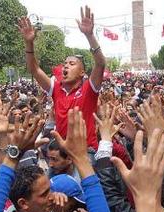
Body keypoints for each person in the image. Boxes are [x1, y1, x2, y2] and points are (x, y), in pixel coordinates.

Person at [18, 6, 106, 150]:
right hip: (61, 154)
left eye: (72, 64)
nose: (65, 66)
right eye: (64, 63)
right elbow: (34, 69)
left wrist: (90, 36)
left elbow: (101, 64)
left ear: (82, 72)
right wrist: (29, 43)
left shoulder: (89, 89)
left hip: (85, 152)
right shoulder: (56, 89)